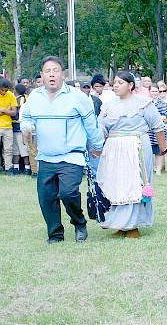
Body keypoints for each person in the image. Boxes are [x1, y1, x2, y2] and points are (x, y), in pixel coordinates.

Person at [20, 56, 104, 244]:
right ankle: (55, 234)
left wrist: (97, 146)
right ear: (41, 75)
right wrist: (26, 128)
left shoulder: (77, 97)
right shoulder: (35, 97)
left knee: (68, 193)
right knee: (46, 197)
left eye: (55, 70)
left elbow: (91, 124)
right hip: (46, 156)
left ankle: (79, 223)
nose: (52, 75)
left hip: (71, 156)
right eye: (47, 71)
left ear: (63, 74)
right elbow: (26, 118)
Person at [96, 72, 165, 238]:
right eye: (114, 82)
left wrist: (162, 147)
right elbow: (100, 129)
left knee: (133, 184)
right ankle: (120, 224)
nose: (116, 85)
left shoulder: (143, 103)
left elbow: (157, 126)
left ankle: (133, 225)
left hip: (136, 147)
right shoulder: (108, 106)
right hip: (113, 149)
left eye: (120, 82)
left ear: (131, 85)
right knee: (115, 184)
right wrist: (96, 147)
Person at [149, 85, 167, 175]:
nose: (154, 93)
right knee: (149, 150)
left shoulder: (163, 104)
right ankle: (149, 168)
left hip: (159, 129)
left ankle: (158, 169)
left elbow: (166, 117)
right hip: (148, 131)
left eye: (156, 91)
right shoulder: (146, 103)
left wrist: (163, 122)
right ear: (149, 92)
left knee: (159, 150)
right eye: (152, 91)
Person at [12, 84, 31, 175]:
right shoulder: (26, 98)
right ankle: (20, 167)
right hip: (17, 127)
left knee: (21, 149)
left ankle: (24, 168)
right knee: (18, 149)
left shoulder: (19, 100)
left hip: (19, 126)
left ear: (16, 91)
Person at [0, 78, 18, 175]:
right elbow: (10, 112)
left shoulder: (11, 95)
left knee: (8, 149)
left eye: (6, 90)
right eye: (2, 90)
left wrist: (3, 110)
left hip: (8, 127)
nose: (4, 92)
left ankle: (8, 168)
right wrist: (8, 110)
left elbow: (14, 112)